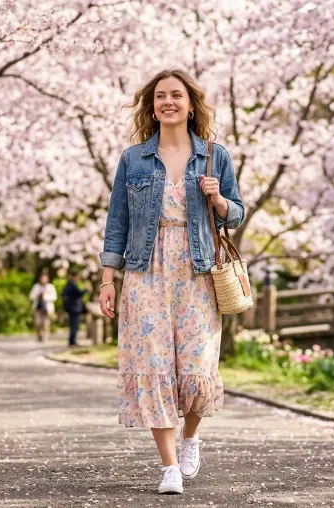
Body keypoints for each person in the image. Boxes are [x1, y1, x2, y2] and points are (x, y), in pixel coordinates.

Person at [98, 69, 245, 495]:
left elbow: (236, 213)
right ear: (152, 106)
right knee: (154, 364)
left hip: (197, 270)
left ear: (191, 104)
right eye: (160, 96)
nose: (168, 102)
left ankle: (191, 437)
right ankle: (168, 468)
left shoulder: (216, 156)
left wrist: (217, 198)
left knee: (198, 366)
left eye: (176, 95)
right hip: (146, 271)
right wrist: (108, 280)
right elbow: (117, 223)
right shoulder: (133, 159)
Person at [61, 272, 89, 347]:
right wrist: (86, 289)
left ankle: (72, 341)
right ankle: (72, 342)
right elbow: (79, 292)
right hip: (75, 309)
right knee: (74, 326)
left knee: (73, 326)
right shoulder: (72, 285)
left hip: (71, 309)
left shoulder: (68, 285)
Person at [29, 272, 57, 343]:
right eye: (42, 278)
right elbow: (31, 296)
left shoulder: (50, 287)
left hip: (47, 308)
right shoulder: (36, 286)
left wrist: (45, 296)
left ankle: (45, 337)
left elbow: (54, 297)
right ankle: (39, 335)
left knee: (46, 323)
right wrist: (38, 295)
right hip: (38, 307)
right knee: (38, 322)